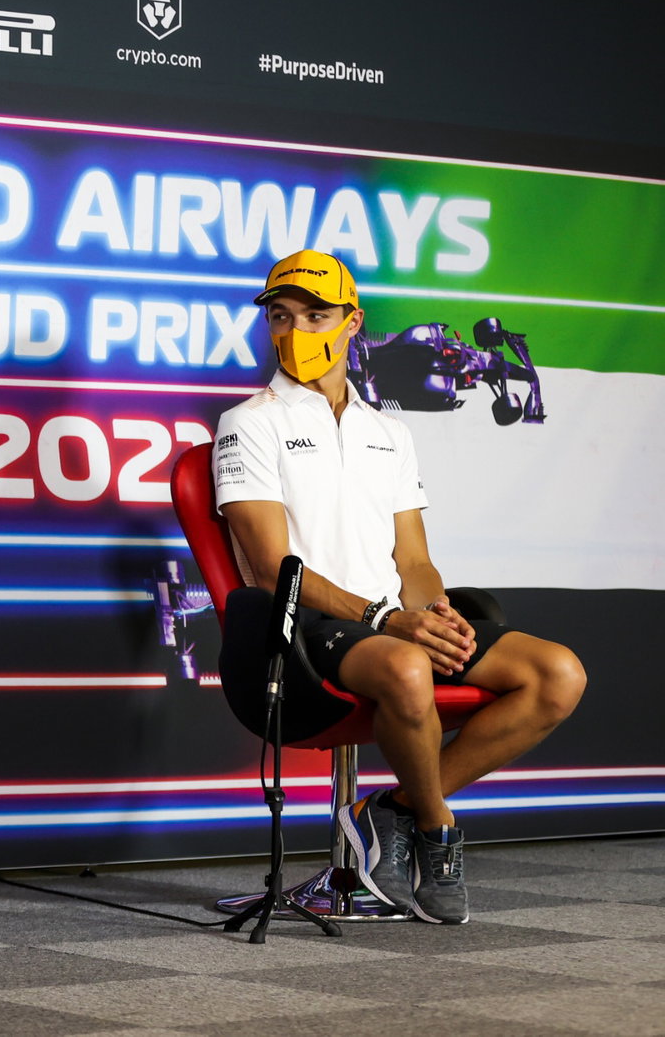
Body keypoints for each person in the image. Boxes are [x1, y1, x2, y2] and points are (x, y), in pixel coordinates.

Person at [211, 249, 585, 924]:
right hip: (303, 625)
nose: (297, 331)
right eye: (281, 316)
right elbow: (272, 570)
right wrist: (388, 620)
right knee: (410, 666)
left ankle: (390, 811)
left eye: (317, 315)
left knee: (556, 673)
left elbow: (413, 558)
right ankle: (438, 832)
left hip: (390, 622)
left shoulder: (390, 432)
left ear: (354, 323)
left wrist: (436, 610)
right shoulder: (248, 423)